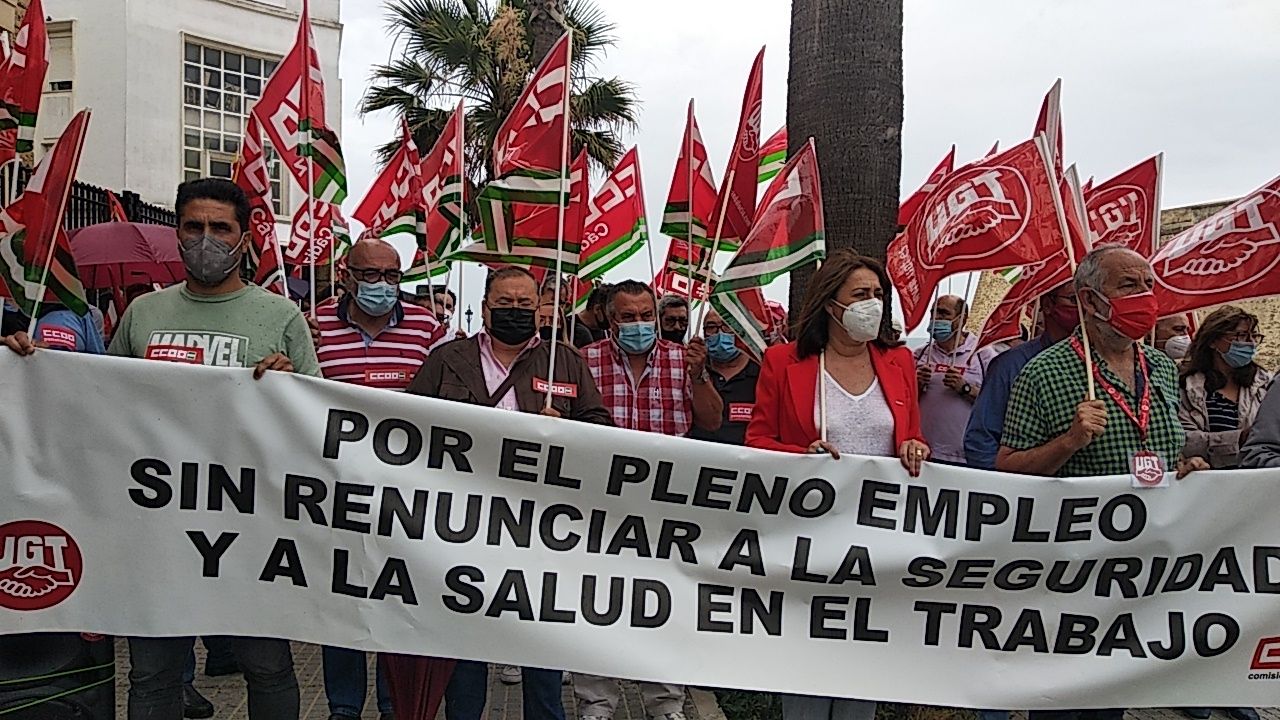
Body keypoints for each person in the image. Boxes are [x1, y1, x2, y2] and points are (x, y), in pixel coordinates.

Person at [2, 178, 315, 720]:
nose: (206, 239)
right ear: (177, 233)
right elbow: (99, 397)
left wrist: (291, 386)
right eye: (194, 227)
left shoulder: (282, 317)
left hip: (247, 526)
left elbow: (315, 424)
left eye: (221, 228)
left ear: (244, 239)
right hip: (154, 528)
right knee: (152, 675)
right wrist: (29, 367)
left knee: (267, 667)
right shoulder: (145, 314)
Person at [997, 246, 1207, 720]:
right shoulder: (1043, 373)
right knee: (1066, 702)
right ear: (1090, 301)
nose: (1145, 297)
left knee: (1111, 702)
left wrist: (1184, 472)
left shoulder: (1161, 369)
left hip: (1143, 568)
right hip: (1075, 575)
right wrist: (1068, 442)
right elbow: (1007, 469)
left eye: (1149, 285)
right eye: (1129, 286)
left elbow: (1159, 458)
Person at [407, 266, 610, 720]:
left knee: (540, 642)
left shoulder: (566, 360)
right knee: (466, 640)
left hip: (541, 525)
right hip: (462, 521)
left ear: (540, 309)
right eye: (504, 304)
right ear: (484, 308)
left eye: (524, 304)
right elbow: (409, 426)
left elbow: (601, 426)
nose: (514, 312)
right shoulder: (447, 359)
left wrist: (569, 429)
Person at [744, 250, 927, 720]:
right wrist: (801, 457)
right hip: (807, 541)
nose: (874, 303)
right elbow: (758, 440)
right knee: (806, 664)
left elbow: (911, 434)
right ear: (830, 305)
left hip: (878, 543)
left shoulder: (899, 361)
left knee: (859, 664)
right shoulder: (784, 361)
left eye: (879, 295)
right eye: (860, 295)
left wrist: (913, 446)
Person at [576, 280, 723, 720]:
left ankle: (666, 704)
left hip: (665, 505)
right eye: (628, 316)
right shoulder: (586, 359)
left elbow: (713, 421)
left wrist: (698, 377)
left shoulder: (683, 359)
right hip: (600, 502)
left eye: (646, 316)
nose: (638, 324)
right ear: (609, 318)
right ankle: (595, 704)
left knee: (661, 602)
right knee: (595, 602)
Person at [315, 238, 443, 720]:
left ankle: (396, 705)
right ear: (347, 275)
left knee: (396, 602)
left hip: (403, 496)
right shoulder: (313, 323)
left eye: (392, 276)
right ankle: (343, 707)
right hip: (332, 493)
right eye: (370, 275)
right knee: (337, 603)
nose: (382, 286)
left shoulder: (428, 329)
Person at [1174, 306, 1266, 720]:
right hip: (1200, 499)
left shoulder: (1264, 383)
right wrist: (1236, 439)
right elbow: (1180, 439)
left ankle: (1232, 684)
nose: (1247, 345)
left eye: (1252, 337)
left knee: (1242, 594)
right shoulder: (1186, 383)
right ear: (1214, 340)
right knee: (1197, 591)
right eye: (1240, 337)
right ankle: (1189, 684)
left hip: (1250, 501)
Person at [964, 282, 1079, 470]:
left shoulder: (1112, 362)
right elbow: (981, 442)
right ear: (1048, 305)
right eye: (1074, 300)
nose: (1084, 309)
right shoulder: (1010, 366)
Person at [913, 294, 997, 464]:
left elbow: (996, 404)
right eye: (933, 313)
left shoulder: (982, 354)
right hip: (923, 453)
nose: (936, 319)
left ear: (962, 319)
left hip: (966, 456)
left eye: (943, 314)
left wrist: (965, 388)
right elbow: (903, 401)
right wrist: (916, 384)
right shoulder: (920, 354)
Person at [689, 309, 759, 445]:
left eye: (727, 326)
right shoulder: (693, 368)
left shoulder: (761, 371)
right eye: (711, 327)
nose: (720, 333)